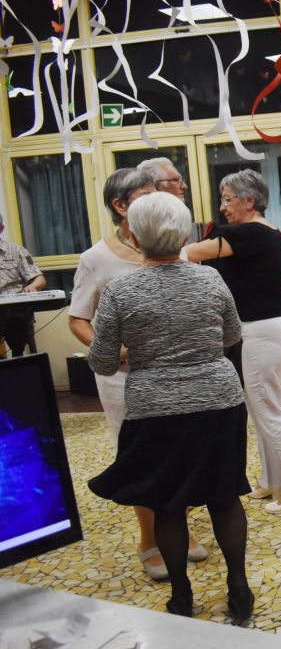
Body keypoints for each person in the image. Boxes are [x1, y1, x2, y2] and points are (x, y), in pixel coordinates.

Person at [87, 192, 253, 623]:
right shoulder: (210, 280)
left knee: (166, 501)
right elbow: (231, 336)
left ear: (136, 237)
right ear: (183, 235)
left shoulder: (120, 291)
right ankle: (239, 587)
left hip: (154, 407)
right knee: (224, 495)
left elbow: (102, 362)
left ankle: (181, 595)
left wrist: (134, 352)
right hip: (218, 400)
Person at [69, 169, 208, 581]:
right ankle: (149, 540)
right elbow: (78, 318)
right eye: (146, 194)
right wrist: (112, 350)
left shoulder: (175, 249)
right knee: (141, 456)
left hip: (175, 371)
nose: (157, 201)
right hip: (124, 377)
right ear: (120, 206)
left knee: (180, 450)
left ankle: (179, 529)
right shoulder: (96, 258)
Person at [184, 169, 281, 515]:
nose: (223, 207)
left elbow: (188, 254)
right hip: (271, 328)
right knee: (261, 411)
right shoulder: (270, 233)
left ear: (249, 201)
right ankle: (273, 481)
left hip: (262, 331)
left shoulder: (248, 233)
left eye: (227, 199)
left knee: (268, 413)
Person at [0, 212, 47, 357]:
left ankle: (18, 361)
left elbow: (40, 279)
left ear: (1, 229)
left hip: (14, 310)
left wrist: (33, 286)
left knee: (16, 321)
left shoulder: (16, 251)